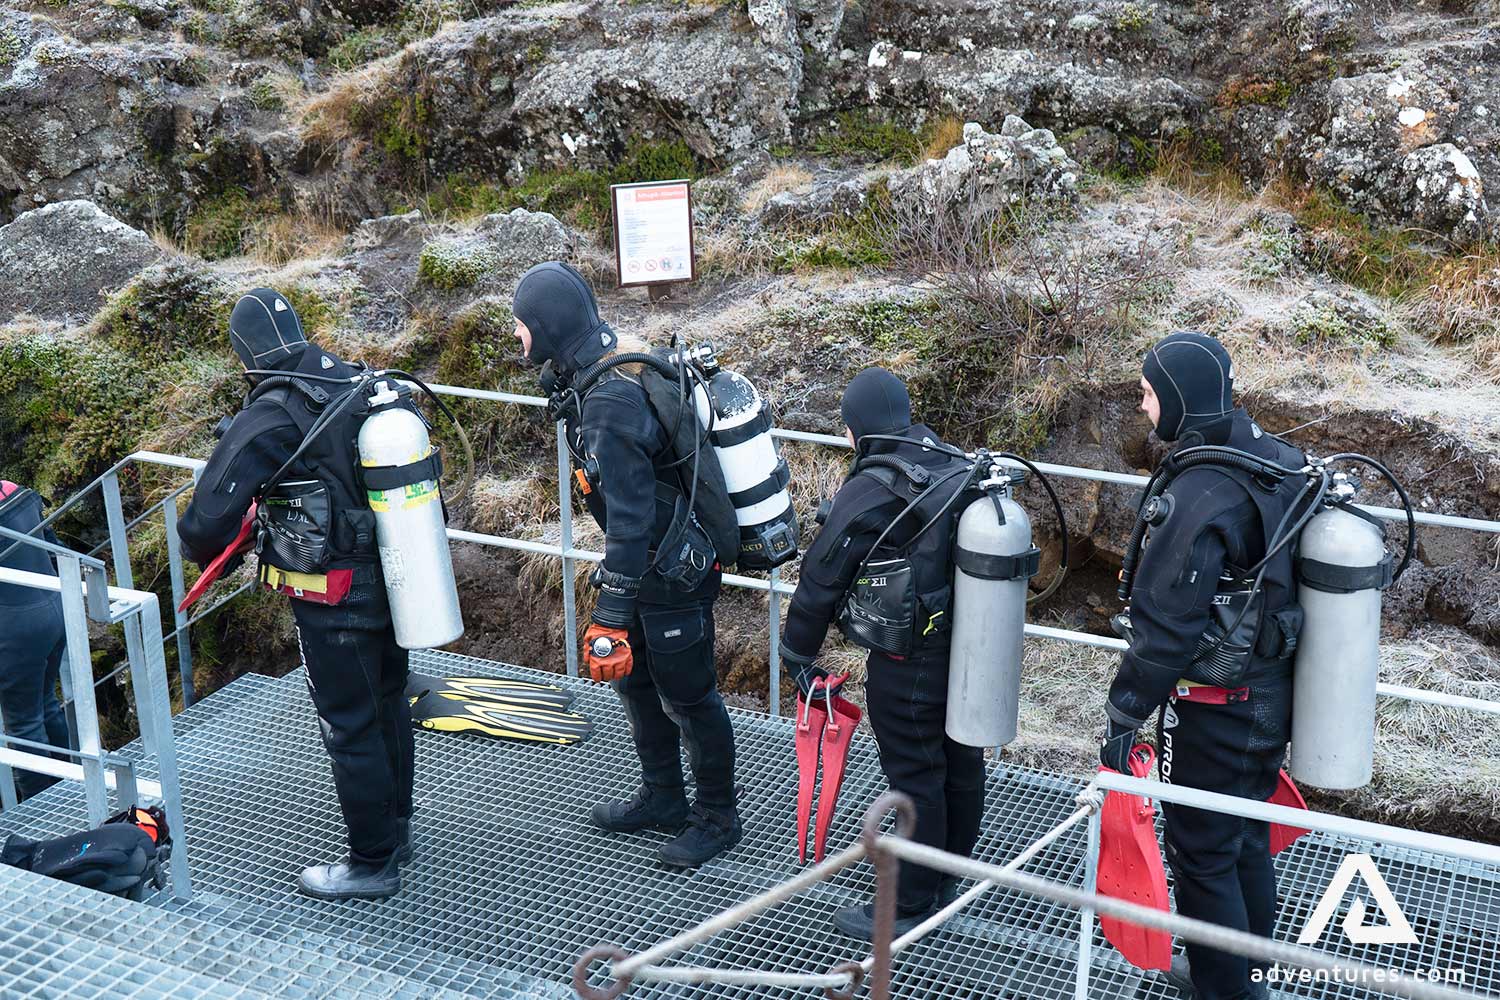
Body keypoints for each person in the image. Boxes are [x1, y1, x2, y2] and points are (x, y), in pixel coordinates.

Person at [176, 288, 414, 901]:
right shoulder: (357, 383)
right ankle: (397, 830)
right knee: (387, 700)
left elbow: (202, 525)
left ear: (244, 355)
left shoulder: (273, 414)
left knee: (349, 725)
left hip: (332, 598)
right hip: (400, 576)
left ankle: (371, 863)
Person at [510, 260, 742, 868]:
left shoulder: (610, 401)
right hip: (648, 567)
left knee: (691, 696)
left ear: (550, 327)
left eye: (522, 324)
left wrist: (609, 615)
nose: (517, 335)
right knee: (638, 685)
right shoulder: (595, 376)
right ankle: (665, 797)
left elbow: (634, 516)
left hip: (672, 573)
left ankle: (717, 817)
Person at [1102, 332, 1305, 1000]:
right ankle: (1243, 974)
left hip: (1218, 706)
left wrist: (1124, 714)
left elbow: (1165, 627)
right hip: (1272, 692)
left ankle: (1226, 989)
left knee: (1203, 851)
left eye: (1149, 392)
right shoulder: (1275, 456)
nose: (1142, 404)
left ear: (1180, 397)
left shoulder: (1201, 493)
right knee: (1244, 837)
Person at [778, 367, 987, 940]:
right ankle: (949, 875)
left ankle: (911, 901)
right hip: (970, 650)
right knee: (960, 761)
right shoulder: (953, 463)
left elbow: (821, 577)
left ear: (855, 430)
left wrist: (796, 653)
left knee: (917, 774)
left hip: (908, 663)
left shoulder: (875, 485)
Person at [0, 482, 74, 801]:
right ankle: (70, 788)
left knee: (24, 723)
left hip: (16, 626)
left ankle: (43, 812)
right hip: (54, 607)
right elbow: (52, 545)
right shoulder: (11, 488)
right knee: (45, 702)